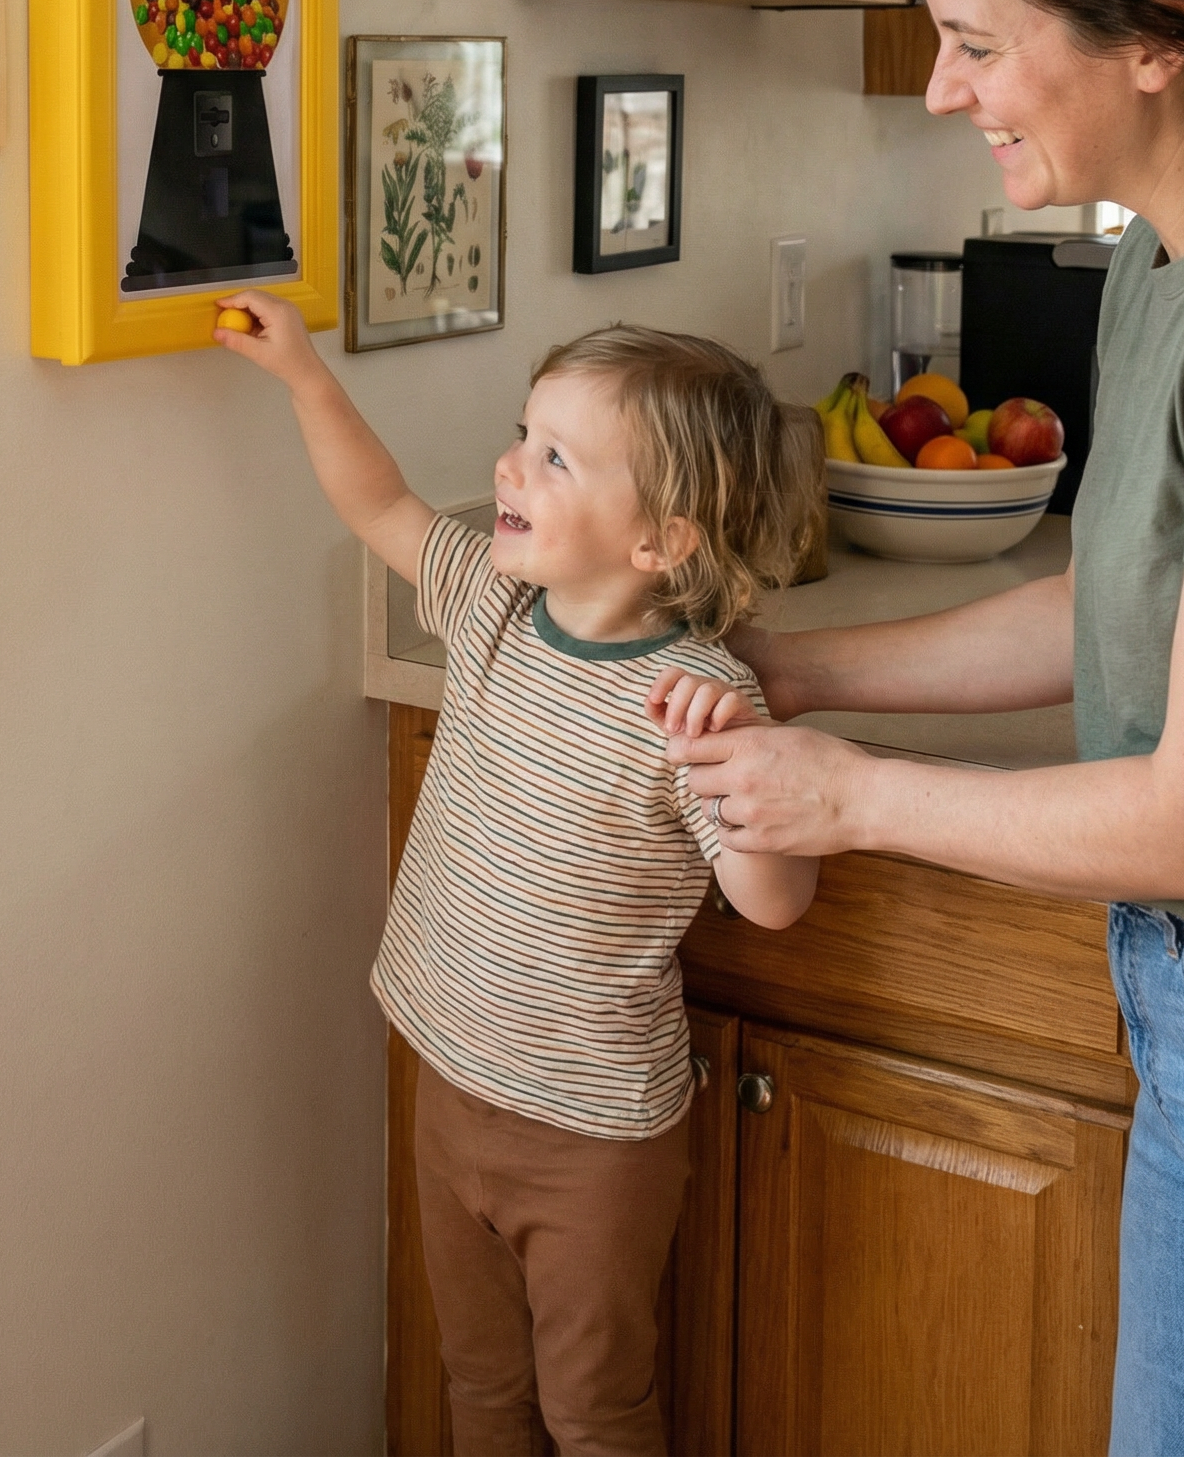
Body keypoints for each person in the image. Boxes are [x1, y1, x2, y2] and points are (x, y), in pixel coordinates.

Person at [652, 0, 1184, 1457]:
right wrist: (793, 665)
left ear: (1154, 36)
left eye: (976, 41)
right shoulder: (1153, 261)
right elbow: (1103, 603)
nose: (938, 84)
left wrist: (852, 796)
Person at [213, 299, 819, 1457]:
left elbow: (773, 899)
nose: (509, 465)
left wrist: (736, 752)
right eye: (521, 432)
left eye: (555, 457)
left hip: (591, 1137)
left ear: (661, 541)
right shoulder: (491, 605)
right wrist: (303, 376)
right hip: (448, 1083)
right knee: (479, 1383)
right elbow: (381, 503)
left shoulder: (696, 699)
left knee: (594, 1409)